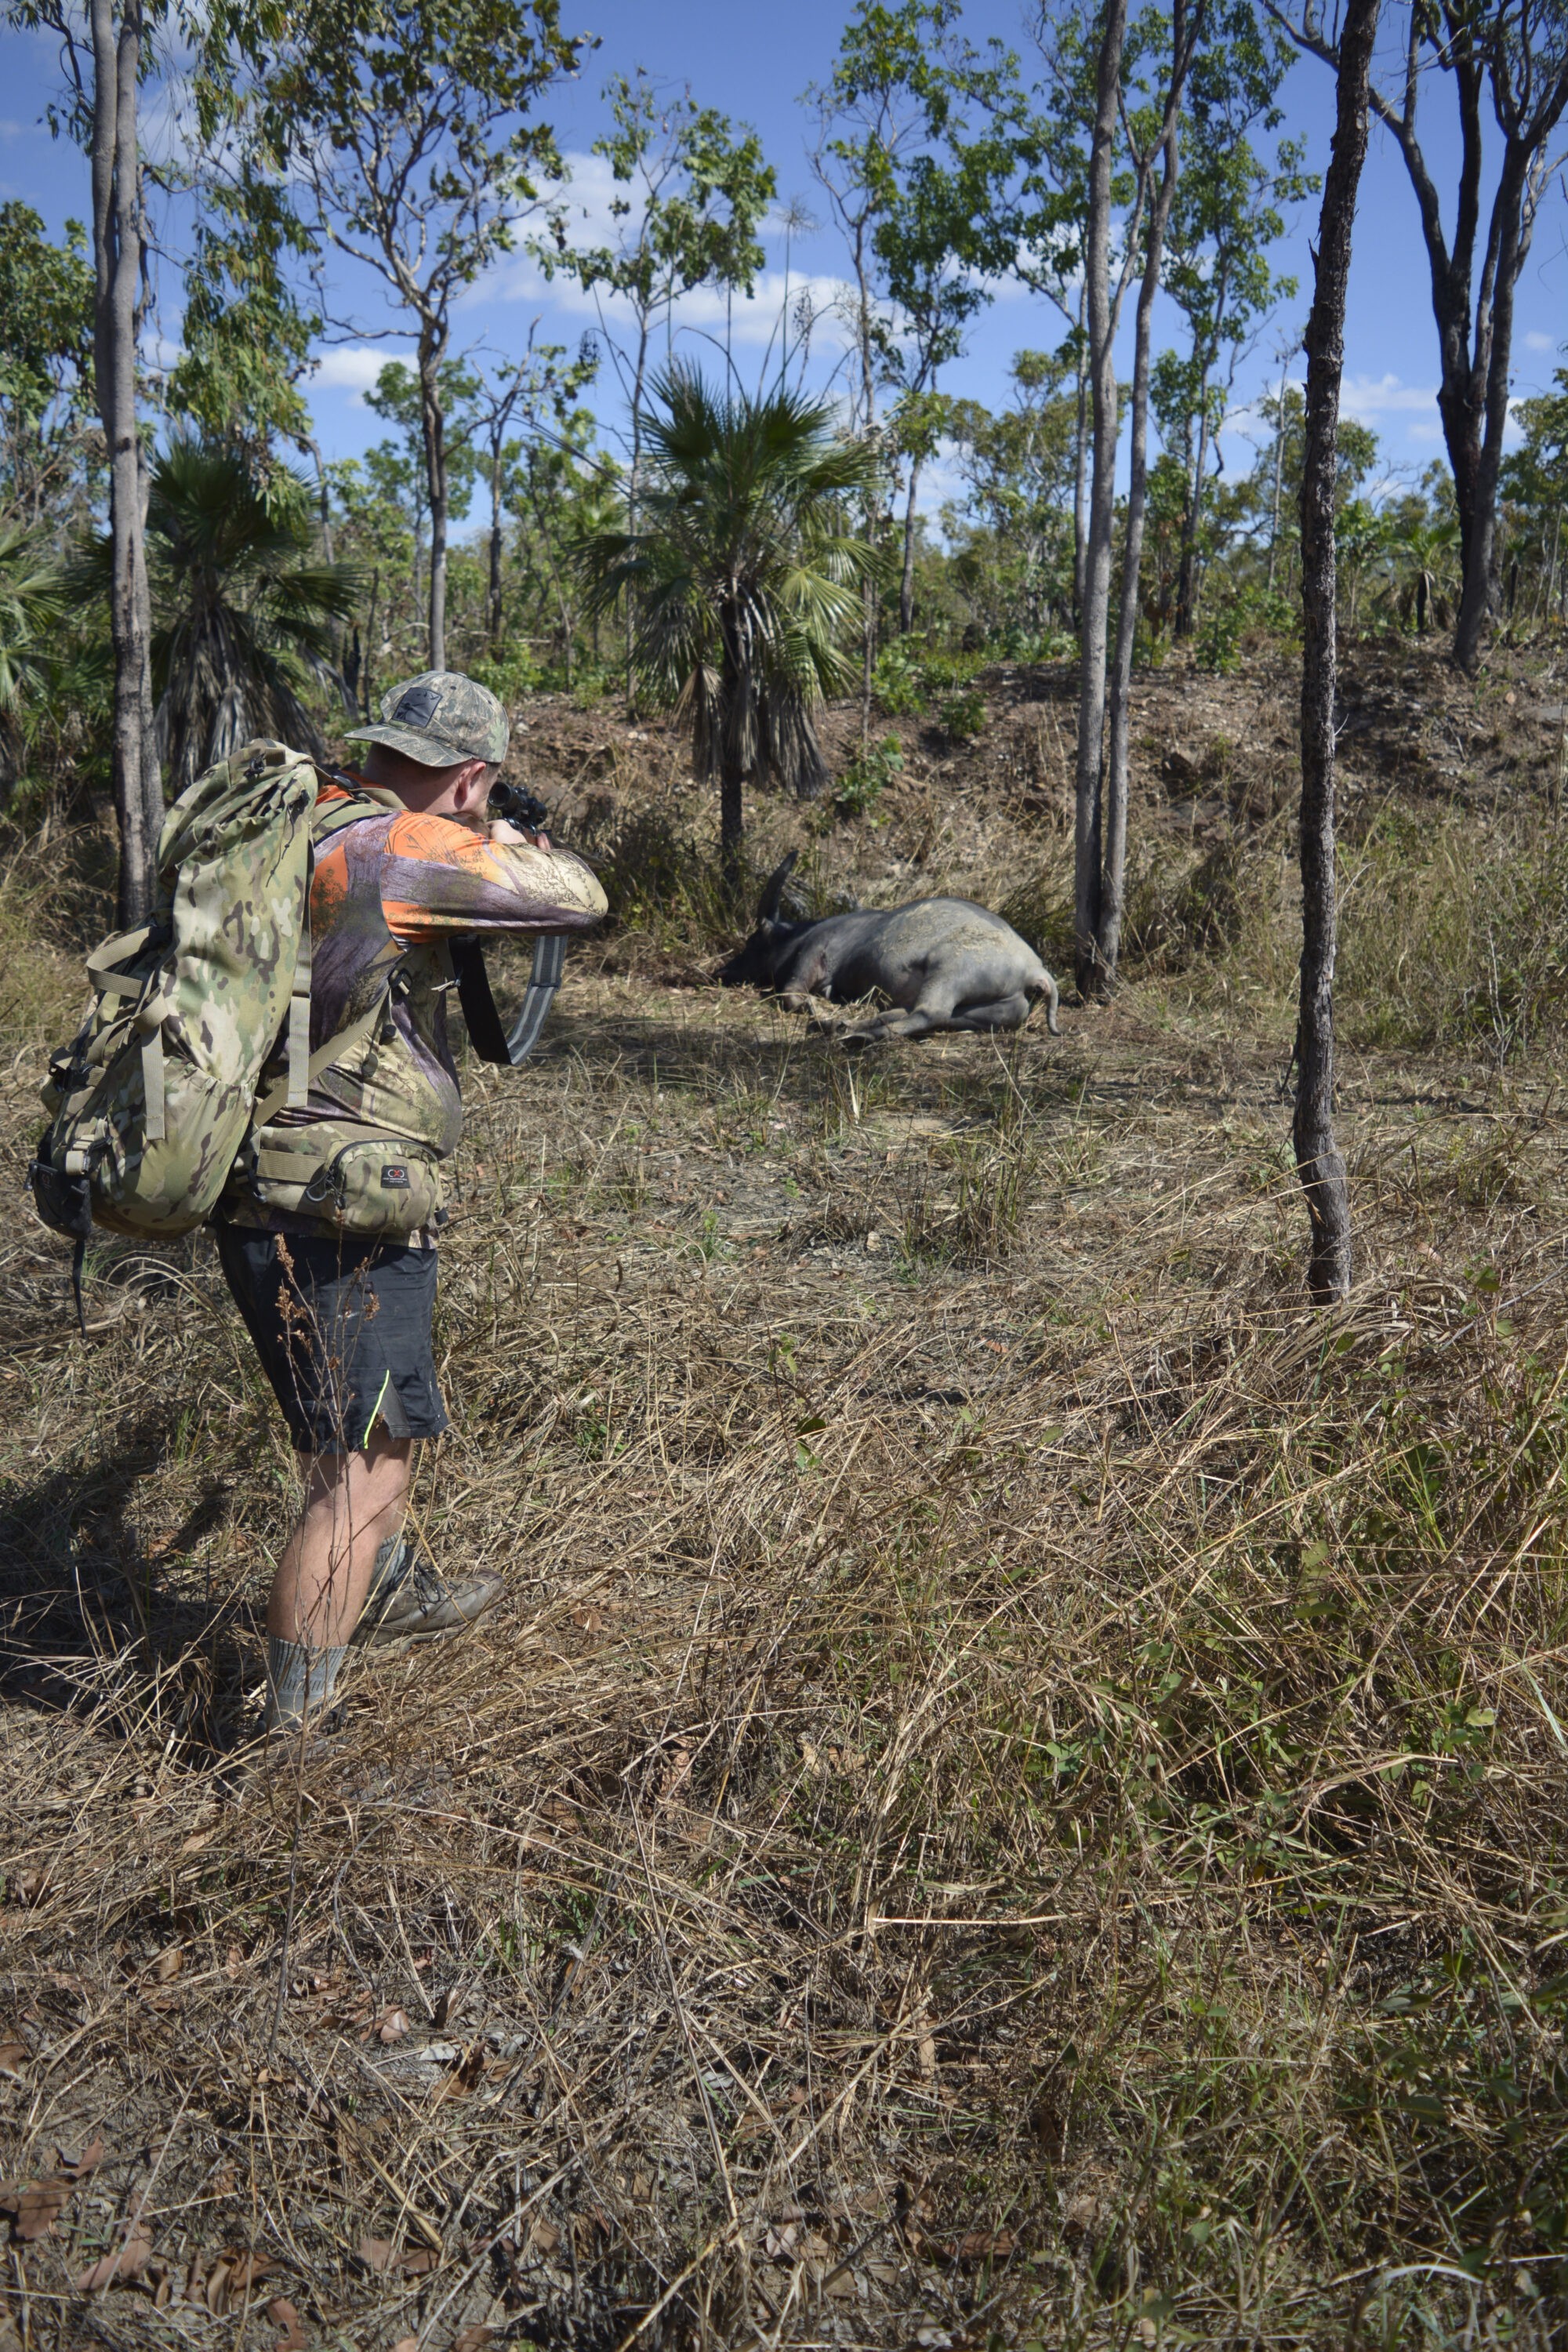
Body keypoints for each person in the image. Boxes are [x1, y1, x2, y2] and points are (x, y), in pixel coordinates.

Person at [213, 670, 606, 1744]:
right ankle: (297, 1736)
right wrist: (510, 848)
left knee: (352, 1441)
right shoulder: (404, 850)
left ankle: (390, 1590)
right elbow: (582, 900)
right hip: (337, 1205)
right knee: (360, 1477)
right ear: (473, 775)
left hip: (269, 1180)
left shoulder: (310, 826)